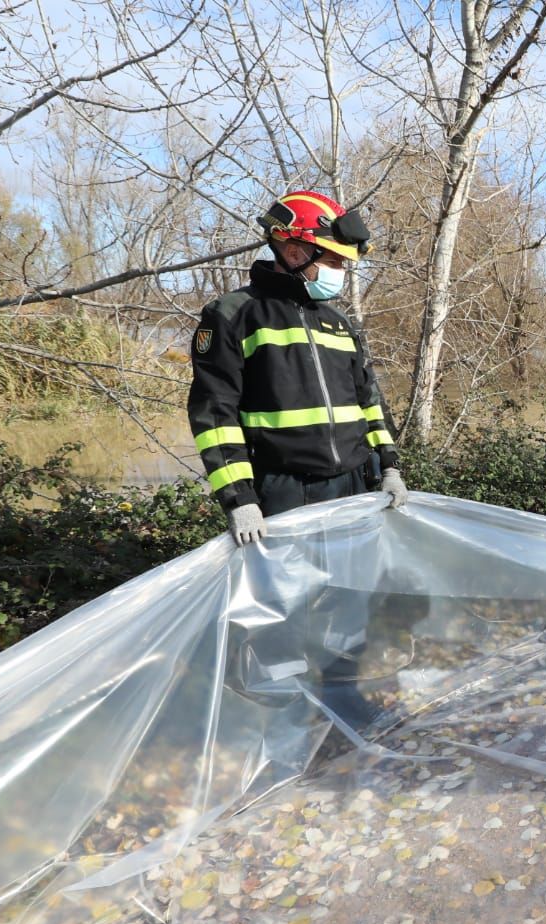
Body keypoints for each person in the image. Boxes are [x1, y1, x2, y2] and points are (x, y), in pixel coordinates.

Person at [188, 189, 407, 726]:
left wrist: (392, 465)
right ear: (291, 246)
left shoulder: (338, 324)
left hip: (353, 486)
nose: (339, 272)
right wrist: (239, 498)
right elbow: (215, 414)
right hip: (284, 490)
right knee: (288, 607)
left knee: (349, 601)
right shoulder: (235, 315)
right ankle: (286, 715)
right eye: (332, 259)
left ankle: (342, 698)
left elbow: (369, 403)